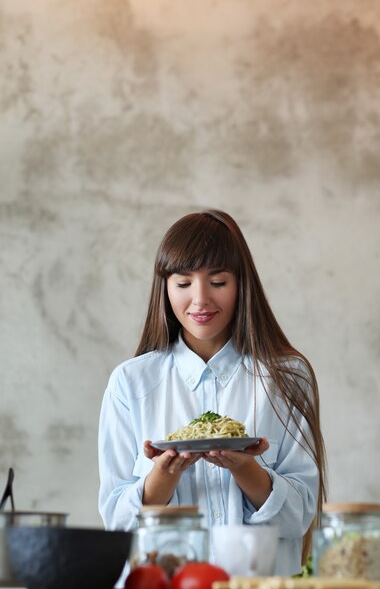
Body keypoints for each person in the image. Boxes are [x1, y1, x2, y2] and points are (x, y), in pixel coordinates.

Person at [98, 209, 326, 575]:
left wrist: (246, 468)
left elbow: (299, 516)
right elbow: (116, 522)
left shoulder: (287, 377)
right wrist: (163, 477)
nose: (200, 300)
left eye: (218, 282)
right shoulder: (131, 383)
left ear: (241, 285)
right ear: (165, 287)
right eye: (183, 283)